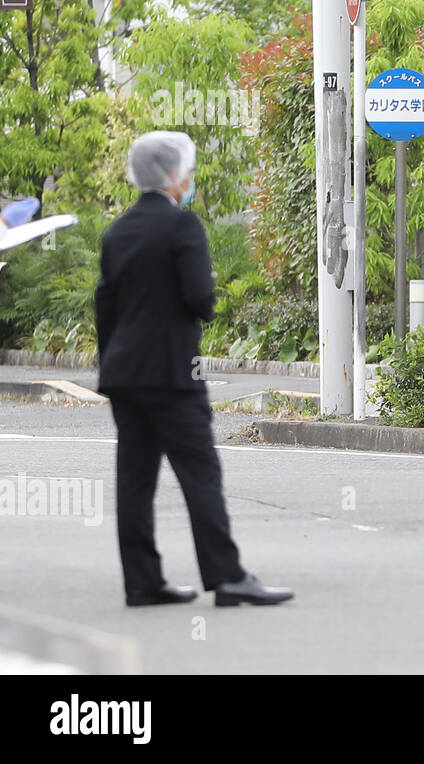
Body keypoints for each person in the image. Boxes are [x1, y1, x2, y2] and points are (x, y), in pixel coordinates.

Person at [96, 131, 292, 607]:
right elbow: (200, 300)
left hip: (125, 373)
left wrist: (112, 364)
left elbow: (105, 305)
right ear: (173, 175)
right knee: (200, 472)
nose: (190, 178)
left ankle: (142, 581)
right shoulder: (182, 226)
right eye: (187, 169)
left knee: (135, 478)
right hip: (172, 373)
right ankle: (226, 576)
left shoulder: (117, 231)